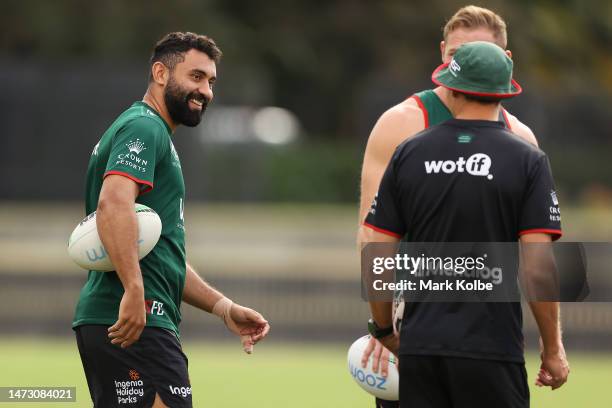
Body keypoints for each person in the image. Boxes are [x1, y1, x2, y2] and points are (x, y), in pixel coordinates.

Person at [362, 41, 569, 407]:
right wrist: (552, 348)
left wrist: (382, 329)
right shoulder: (529, 161)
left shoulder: (409, 152)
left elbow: (379, 252)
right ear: (504, 94)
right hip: (492, 349)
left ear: (452, 89)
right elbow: (538, 267)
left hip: (419, 350)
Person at [72, 32, 270, 408]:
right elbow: (113, 205)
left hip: (122, 317)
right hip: (136, 320)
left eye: (211, 81)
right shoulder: (144, 127)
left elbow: (158, 254)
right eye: (196, 77)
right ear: (161, 73)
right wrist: (134, 290)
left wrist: (222, 307)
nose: (206, 91)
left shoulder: (149, 130)